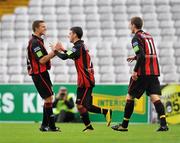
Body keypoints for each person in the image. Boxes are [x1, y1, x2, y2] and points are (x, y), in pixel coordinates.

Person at [111, 17, 168, 132]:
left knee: (130, 96)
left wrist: (135, 70)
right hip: (153, 72)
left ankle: (124, 125)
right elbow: (147, 53)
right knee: (154, 97)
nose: (129, 27)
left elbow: (142, 55)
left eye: (130, 25)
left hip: (143, 72)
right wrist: (135, 56)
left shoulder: (136, 38)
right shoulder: (148, 36)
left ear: (133, 25)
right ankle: (163, 124)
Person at [51, 26, 112, 132]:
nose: (68, 35)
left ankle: (106, 111)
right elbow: (72, 55)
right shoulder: (78, 47)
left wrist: (55, 51)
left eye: (70, 33)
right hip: (82, 81)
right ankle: (89, 126)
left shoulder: (78, 46)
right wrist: (62, 49)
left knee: (85, 105)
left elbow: (65, 57)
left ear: (75, 34)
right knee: (80, 106)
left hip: (86, 81)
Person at [27, 20, 60, 132]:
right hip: (39, 73)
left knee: (49, 98)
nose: (45, 28)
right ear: (36, 28)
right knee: (49, 98)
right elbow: (42, 60)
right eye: (43, 27)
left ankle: (44, 126)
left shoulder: (38, 41)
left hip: (42, 73)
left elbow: (44, 59)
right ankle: (51, 126)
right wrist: (55, 52)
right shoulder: (35, 43)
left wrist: (54, 52)